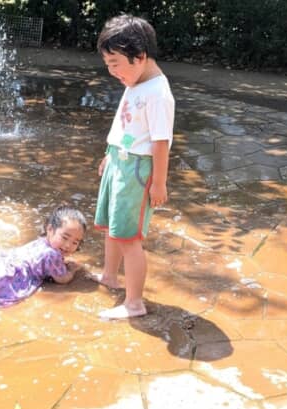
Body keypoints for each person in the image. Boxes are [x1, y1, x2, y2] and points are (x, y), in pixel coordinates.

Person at [93, 14, 175, 319]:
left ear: (139, 57)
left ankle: (134, 303)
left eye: (115, 63)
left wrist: (159, 183)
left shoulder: (157, 93)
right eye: (108, 64)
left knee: (129, 237)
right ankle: (109, 276)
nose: (112, 71)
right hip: (119, 161)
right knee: (113, 228)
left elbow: (160, 142)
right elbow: (126, 125)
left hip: (138, 171)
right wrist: (110, 153)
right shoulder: (136, 82)